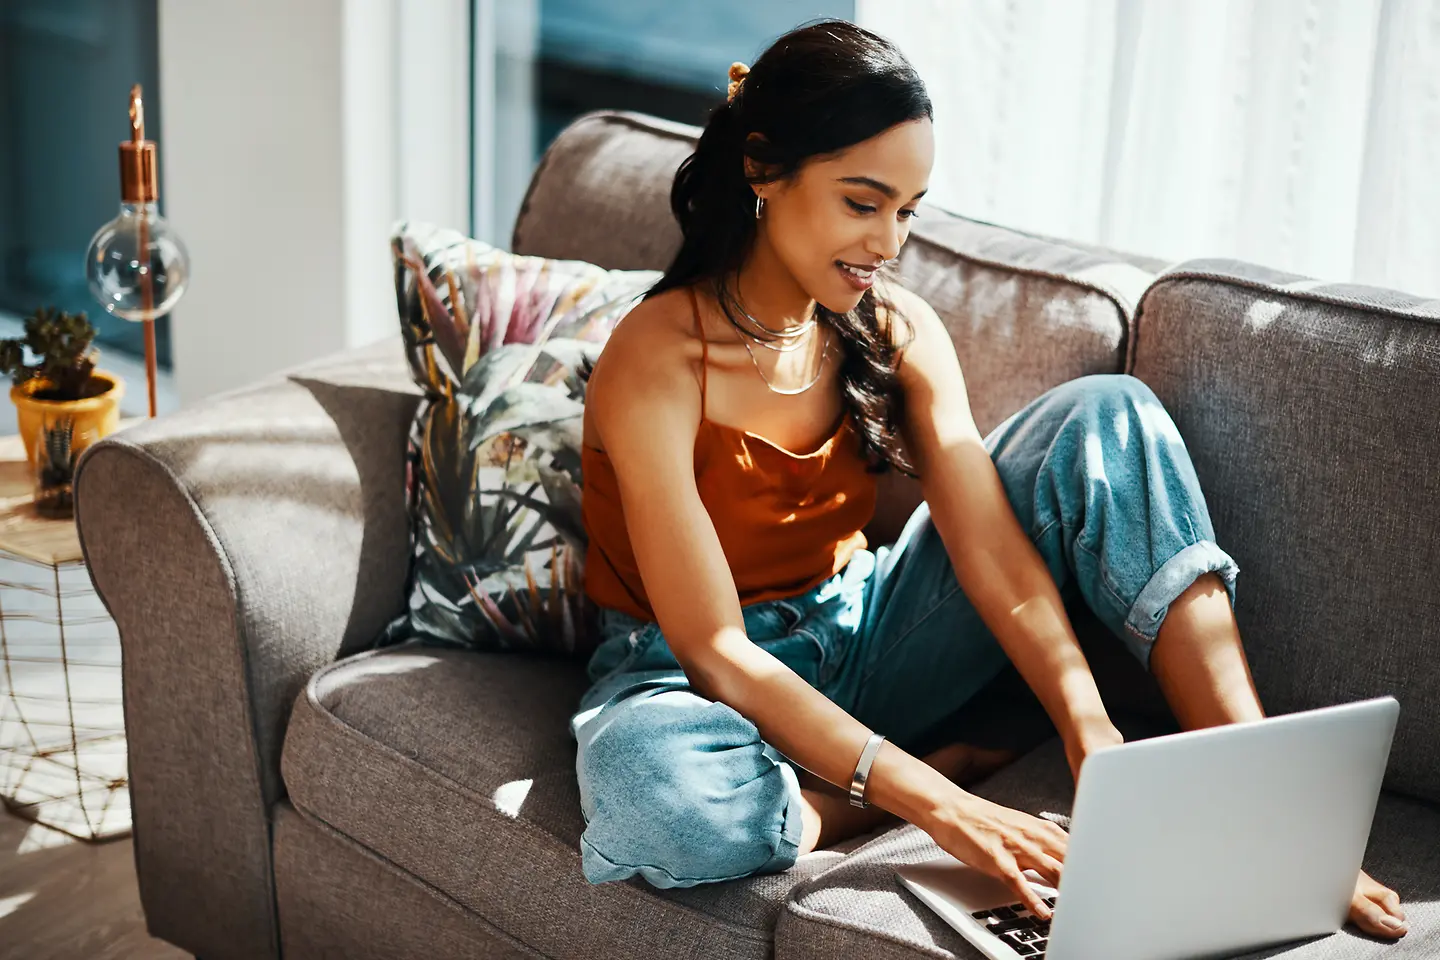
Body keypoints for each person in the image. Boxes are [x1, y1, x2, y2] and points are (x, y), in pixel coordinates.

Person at [570, 18, 1407, 939]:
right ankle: (875, 793)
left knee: (1108, 413)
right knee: (662, 799)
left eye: (908, 209)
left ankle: (1261, 789)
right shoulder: (656, 354)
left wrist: (1091, 732)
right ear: (763, 169)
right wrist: (942, 801)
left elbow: (991, 551)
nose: (889, 241)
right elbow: (716, 650)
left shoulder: (895, 328)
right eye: (863, 202)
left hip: (865, 633)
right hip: (687, 682)